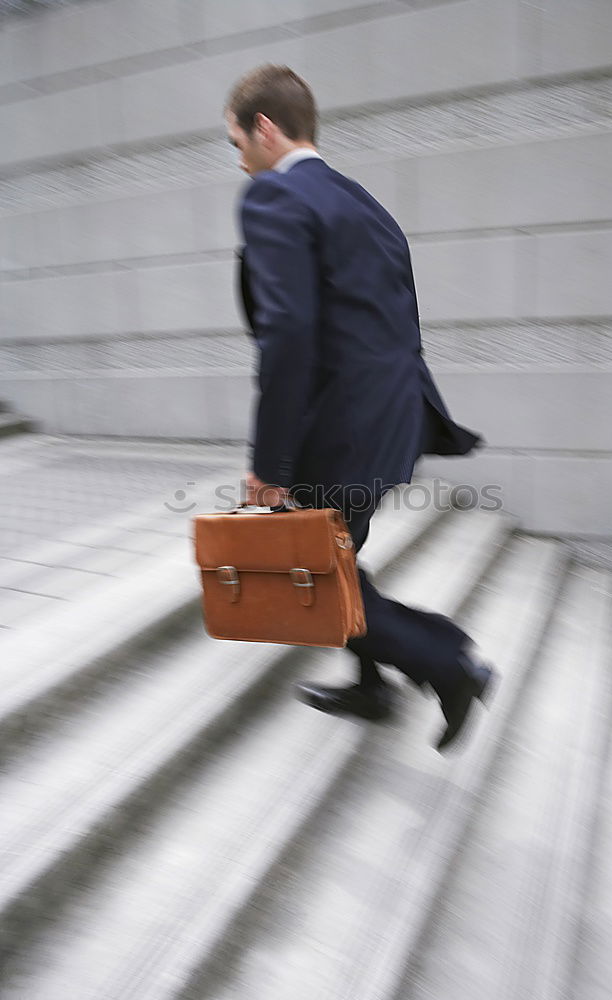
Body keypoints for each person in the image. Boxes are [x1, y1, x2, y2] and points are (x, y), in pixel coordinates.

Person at [225, 64, 495, 751]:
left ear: (263, 127)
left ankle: (449, 663)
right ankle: (373, 687)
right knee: (338, 559)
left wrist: (270, 463)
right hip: (391, 416)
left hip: (336, 424)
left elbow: (288, 335)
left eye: (235, 142)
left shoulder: (272, 199)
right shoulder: (364, 202)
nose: (239, 158)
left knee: (309, 578)